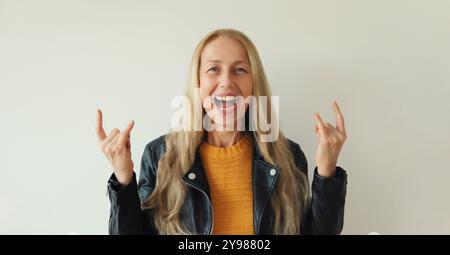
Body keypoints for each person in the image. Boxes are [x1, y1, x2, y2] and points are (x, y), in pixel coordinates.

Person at [96, 28, 348, 235]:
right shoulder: (159, 155)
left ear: (253, 84)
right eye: (213, 69)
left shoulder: (288, 156)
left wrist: (327, 172)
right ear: (198, 82)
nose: (226, 81)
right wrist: (123, 178)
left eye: (239, 69)